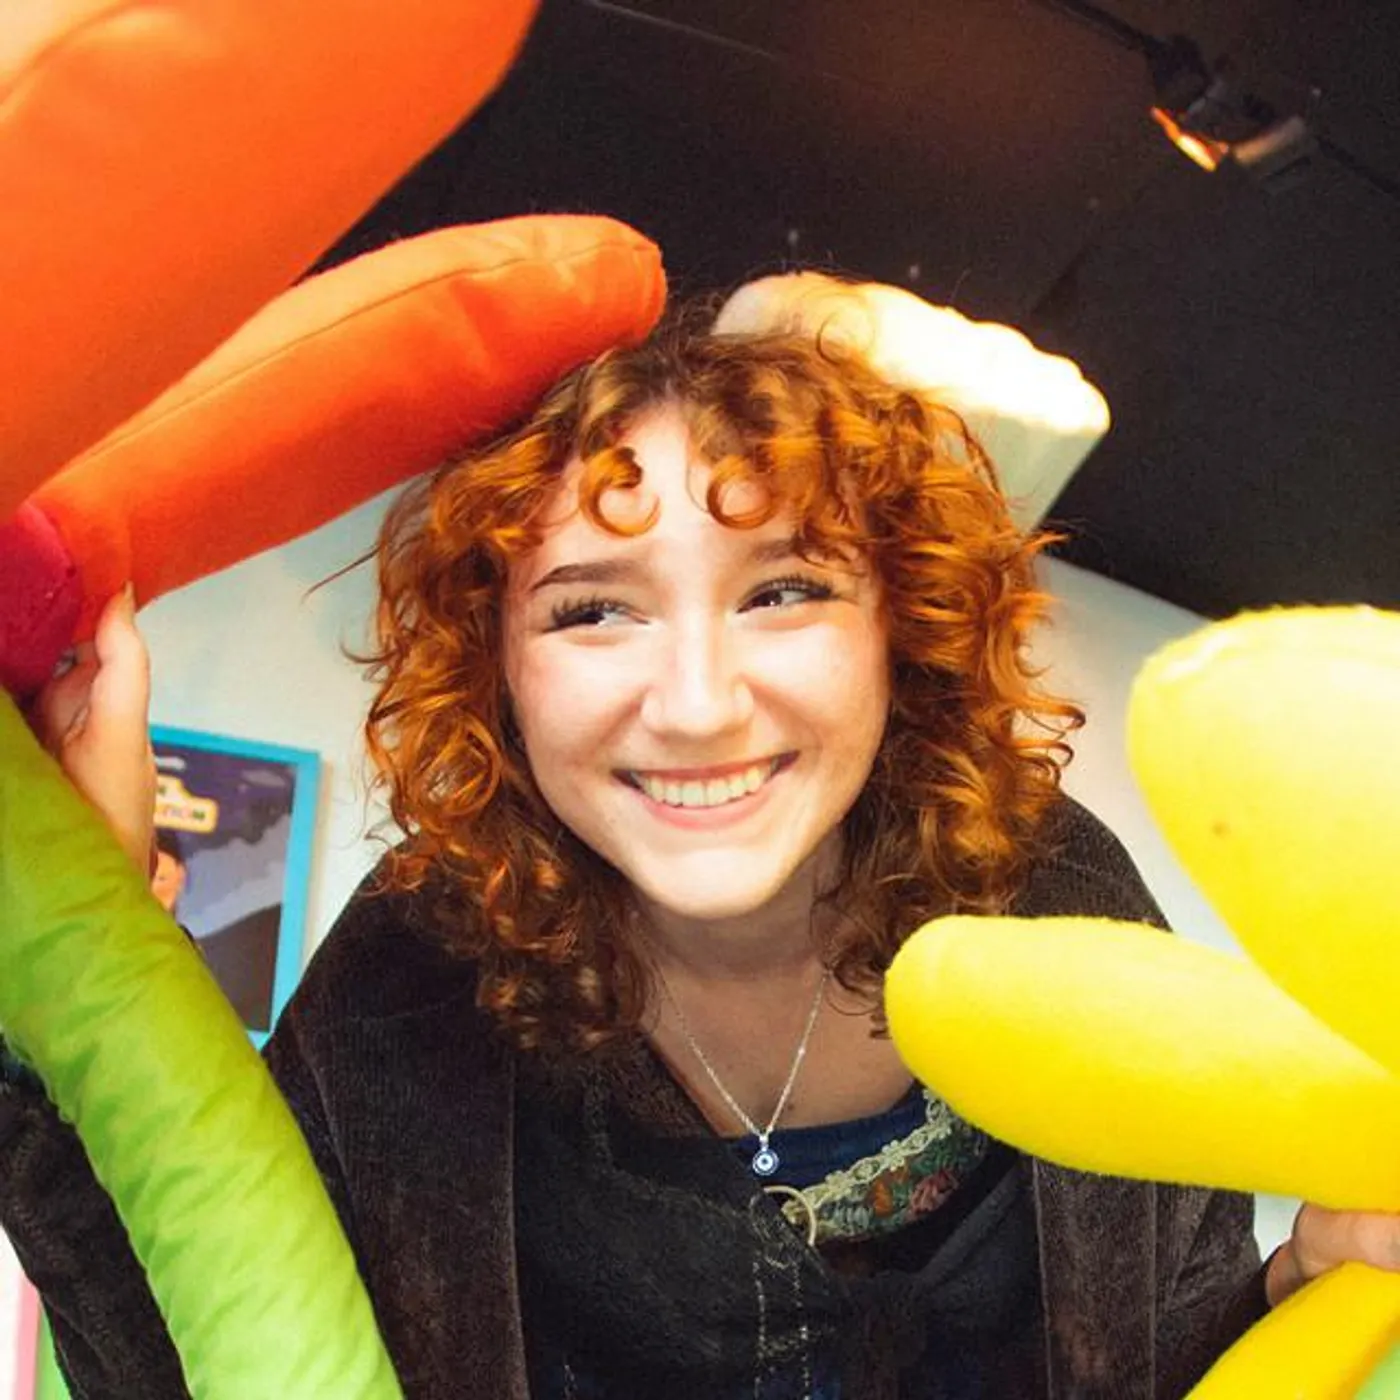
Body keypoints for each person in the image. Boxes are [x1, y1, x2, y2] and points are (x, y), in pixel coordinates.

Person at [4, 306, 1399, 1399]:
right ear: (495, 665)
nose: (694, 703)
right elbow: (208, 1357)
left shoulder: (1050, 896)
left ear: (896, 627)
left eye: (783, 590)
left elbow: (1173, 1341)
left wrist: (1314, 1294)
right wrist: (73, 927)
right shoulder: (414, 969)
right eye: (593, 612)